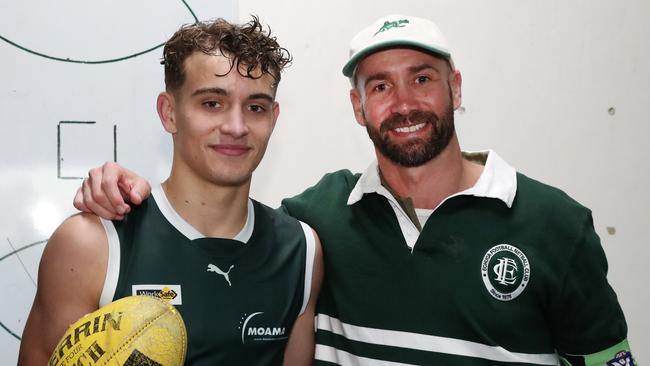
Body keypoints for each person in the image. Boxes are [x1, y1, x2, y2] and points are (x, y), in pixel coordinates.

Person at [71, 14, 635, 366]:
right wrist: (122, 189)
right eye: (381, 86)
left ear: (454, 88)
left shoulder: (556, 225)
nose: (405, 103)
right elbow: (213, 214)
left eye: (422, 78)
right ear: (357, 106)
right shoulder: (318, 223)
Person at [19, 17, 322, 366]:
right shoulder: (92, 244)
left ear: (273, 117)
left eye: (255, 108)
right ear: (169, 113)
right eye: (212, 103)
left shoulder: (301, 250)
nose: (236, 127)